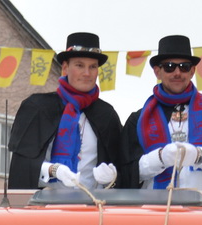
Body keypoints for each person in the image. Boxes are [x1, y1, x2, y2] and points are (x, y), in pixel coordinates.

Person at [120, 36, 202, 191]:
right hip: (157, 209)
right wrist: (159, 158)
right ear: (157, 72)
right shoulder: (138, 119)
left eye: (184, 66)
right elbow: (127, 172)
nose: (177, 72)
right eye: (169, 66)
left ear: (192, 71)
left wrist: (199, 156)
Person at [9, 33, 122, 191]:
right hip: (43, 207)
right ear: (65, 68)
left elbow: (123, 168)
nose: (87, 73)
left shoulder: (107, 115)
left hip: (92, 208)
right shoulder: (37, 107)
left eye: (93, 67)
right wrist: (53, 170)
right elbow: (21, 166)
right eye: (79, 65)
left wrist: (112, 176)